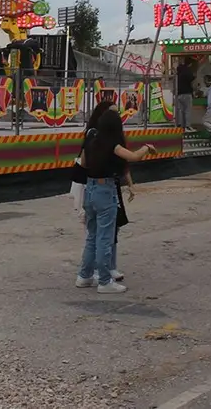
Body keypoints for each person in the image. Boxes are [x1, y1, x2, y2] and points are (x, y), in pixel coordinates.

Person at [76, 108, 155, 294]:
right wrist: (147, 147)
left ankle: (84, 276)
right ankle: (104, 281)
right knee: (105, 238)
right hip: (105, 190)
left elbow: (83, 164)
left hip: (90, 190)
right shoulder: (112, 144)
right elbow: (134, 157)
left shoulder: (90, 141)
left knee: (92, 236)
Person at [174, 57, 194, 132]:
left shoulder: (179, 71)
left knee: (180, 111)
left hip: (178, 93)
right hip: (186, 93)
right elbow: (191, 81)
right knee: (187, 110)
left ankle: (180, 126)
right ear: (190, 64)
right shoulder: (188, 71)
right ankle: (188, 126)